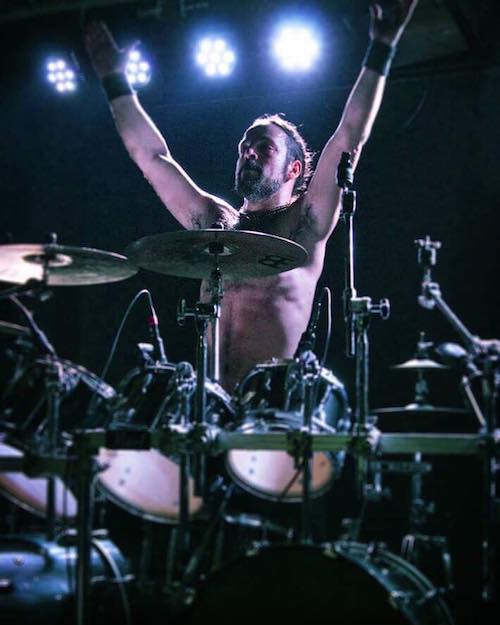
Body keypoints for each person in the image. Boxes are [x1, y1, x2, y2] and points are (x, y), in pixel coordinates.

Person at [85, 1, 418, 394]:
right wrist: (113, 78)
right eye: (244, 147)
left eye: (264, 148)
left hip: (269, 407)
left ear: (294, 170)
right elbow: (151, 157)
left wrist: (382, 46)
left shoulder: (305, 223)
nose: (249, 153)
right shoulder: (216, 223)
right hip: (207, 404)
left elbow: (349, 135)